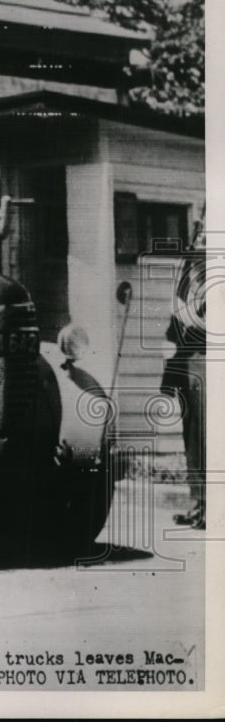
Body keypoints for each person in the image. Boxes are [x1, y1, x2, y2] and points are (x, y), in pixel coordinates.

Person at [161, 212, 206, 531]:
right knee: (193, 435)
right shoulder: (192, 275)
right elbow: (178, 321)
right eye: (199, 235)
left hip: (207, 361)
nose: (200, 240)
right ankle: (200, 501)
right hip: (189, 362)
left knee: (208, 436)